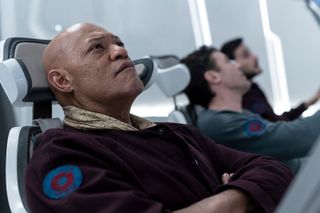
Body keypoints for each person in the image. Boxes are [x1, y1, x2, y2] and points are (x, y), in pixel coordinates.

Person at [25, 23, 293, 213]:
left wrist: (230, 197)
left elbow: (274, 169)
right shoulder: (62, 156)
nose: (120, 51)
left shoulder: (178, 133)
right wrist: (243, 197)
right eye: (96, 48)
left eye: (119, 43)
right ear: (62, 81)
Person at [181, 46, 320, 172]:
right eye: (228, 62)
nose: (237, 65)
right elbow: (298, 138)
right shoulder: (220, 124)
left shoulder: (237, 115)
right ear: (213, 76)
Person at [220, 38, 320, 122]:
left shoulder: (253, 88)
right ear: (233, 66)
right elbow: (277, 125)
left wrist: (310, 101)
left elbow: (276, 122)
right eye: (246, 55)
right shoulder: (243, 97)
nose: (255, 57)